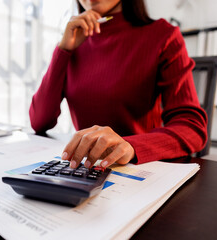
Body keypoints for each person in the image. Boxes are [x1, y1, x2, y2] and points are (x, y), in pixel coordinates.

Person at [29, 0, 207, 169]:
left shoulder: (163, 35)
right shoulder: (74, 41)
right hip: (85, 168)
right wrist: (63, 49)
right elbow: (39, 121)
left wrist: (130, 145)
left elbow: (192, 126)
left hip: (139, 168)